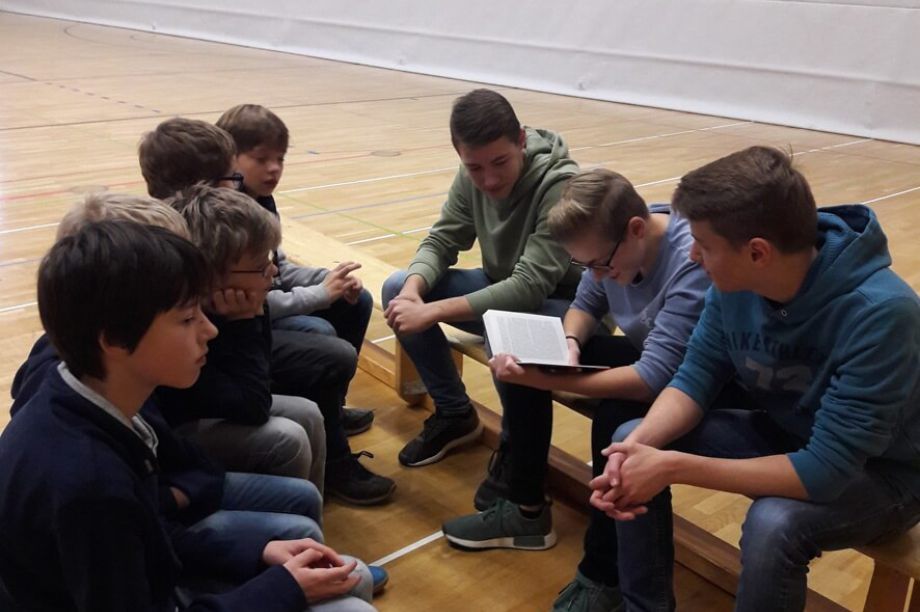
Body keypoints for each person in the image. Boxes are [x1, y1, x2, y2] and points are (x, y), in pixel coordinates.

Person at [591, 146, 920, 611]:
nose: (692, 255)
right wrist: (640, 449)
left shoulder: (881, 314)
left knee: (773, 524)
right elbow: (694, 378)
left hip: (885, 474)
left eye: (704, 245)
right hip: (792, 436)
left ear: (757, 252)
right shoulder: (733, 284)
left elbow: (826, 471)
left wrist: (671, 466)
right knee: (630, 440)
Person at [0, 219, 376, 611]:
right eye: (187, 318)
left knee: (346, 576)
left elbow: (151, 537)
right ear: (113, 339)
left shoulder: (86, 401)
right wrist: (282, 589)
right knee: (352, 606)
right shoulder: (90, 484)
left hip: (153, 580)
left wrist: (257, 550)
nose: (209, 330)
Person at [440, 169, 713, 606]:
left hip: (700, 383)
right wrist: (568, 345)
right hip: (653, 358)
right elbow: (586, 303)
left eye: (601, 264)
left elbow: (653, 378)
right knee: (529, 356)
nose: (598, 276)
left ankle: (603, 575)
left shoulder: (688, 263)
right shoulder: (611, 244)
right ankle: (526, 508)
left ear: (636, 229)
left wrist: (549, 378)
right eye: (586, 267)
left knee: (614, 420)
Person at [139, 119, 394, 504]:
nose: (243, 179)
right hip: (195, 398)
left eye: (280, 159)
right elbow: (250, 398)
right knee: (323, 349)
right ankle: (323, 465)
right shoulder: (187, 259)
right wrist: (253, 318)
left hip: (225, 362)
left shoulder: (232, 218)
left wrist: (320, 282)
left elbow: (275, 271)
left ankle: (328, 431)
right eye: (235, 174)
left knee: (341, 319)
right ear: (202, 186)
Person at [381, 88, 582, 467]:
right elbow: (442, 240)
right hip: (506, 290)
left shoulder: (560, 184)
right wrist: (411, 291)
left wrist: (432, 311)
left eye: (500, 162)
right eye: (474, 167)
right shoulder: (471, 173)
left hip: (569, 308)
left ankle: (516, 453)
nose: (488, 180)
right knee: (396, 287)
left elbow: (530, 286)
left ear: (521, 140)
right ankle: (455, 413)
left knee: (504, 333)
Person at [216, 104, 375, 436]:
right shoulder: (227, 216)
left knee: (357, 301)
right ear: (230, 159)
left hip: (266, 305)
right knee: (319, 331)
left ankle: (332, 409)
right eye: (261, 159)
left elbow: (279, 267)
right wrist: (319, 294)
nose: (274, 168)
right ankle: (320, 423)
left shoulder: (261, 199)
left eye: (280, 158)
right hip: (247, 319)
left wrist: (327, 279)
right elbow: (253, 301)